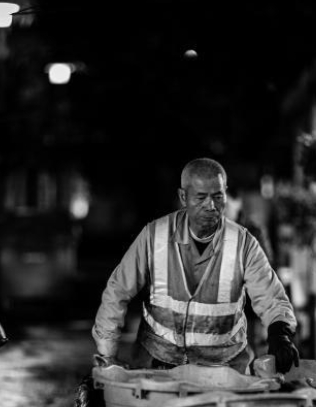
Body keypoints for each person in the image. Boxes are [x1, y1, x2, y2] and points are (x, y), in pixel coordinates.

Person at [92, 157, 299, 374]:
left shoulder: (243, 243)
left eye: (218, 196)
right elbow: (118, 290)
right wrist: (108, 353)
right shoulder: (155, 237)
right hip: (158, 365)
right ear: (183, 197)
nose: (211, 206)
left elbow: (271, 296)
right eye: (201, 197)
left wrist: (280, 333)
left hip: (226, 370)